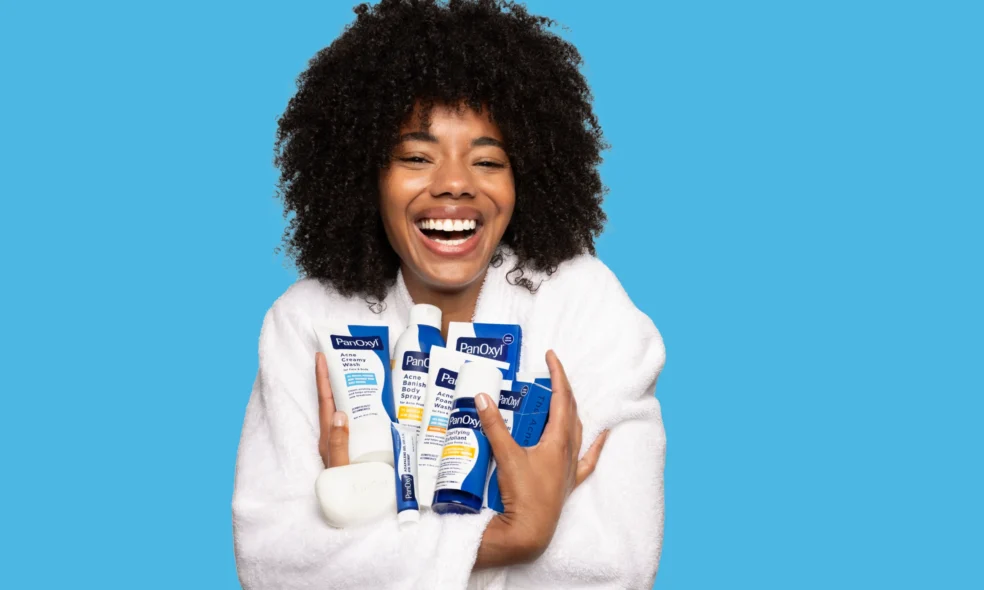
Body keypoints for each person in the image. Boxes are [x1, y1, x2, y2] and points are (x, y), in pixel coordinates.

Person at [231, 1, 667, 588]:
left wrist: (369, 518)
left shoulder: (584, 306)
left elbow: (616, 564)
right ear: (365, 174)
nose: (455, 183)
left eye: (488, 160)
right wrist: (520, 532)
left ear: (526, 176)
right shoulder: (308, 321)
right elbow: (271, 561)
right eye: (416, 157)